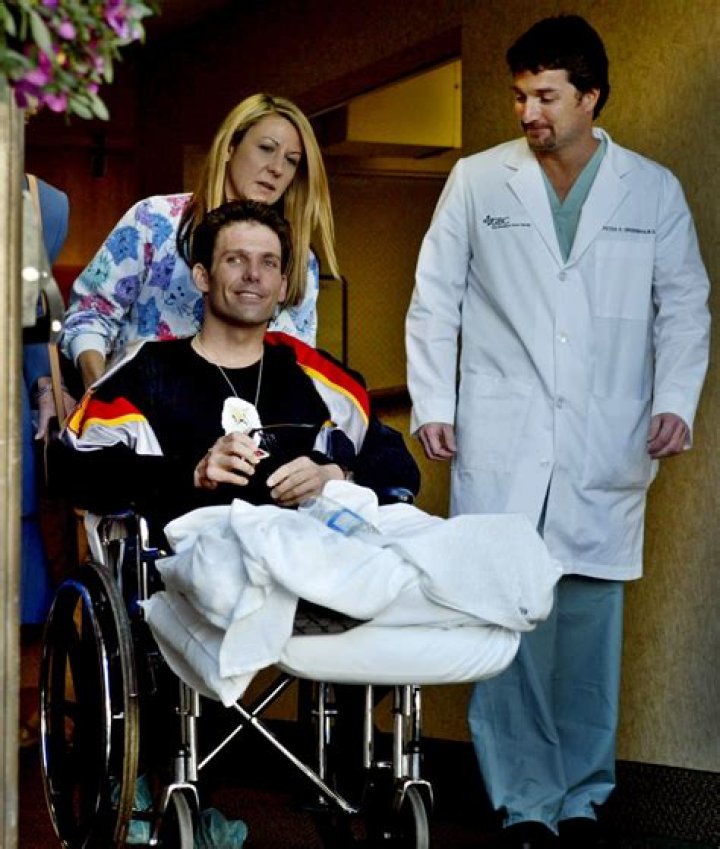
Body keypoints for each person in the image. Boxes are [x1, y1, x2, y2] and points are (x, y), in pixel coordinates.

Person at [405, 14, 710, 849]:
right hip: (501, 434)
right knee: (508, 619)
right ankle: (524, 802)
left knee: (585, 626)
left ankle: (582, 795)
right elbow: (436, 297)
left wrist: (675, 399)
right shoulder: (478, 181)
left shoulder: (652, 190)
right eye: (519, 96)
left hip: (604, 436)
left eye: (545, 96)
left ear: (590, 97)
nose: (527, 112)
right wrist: (434, 402)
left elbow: (684, 306)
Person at [59, 199, 418, 533]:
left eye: (269, 263)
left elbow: (398, 465)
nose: (253, 274)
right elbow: (73, 472)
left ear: (282, 286)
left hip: (313, 561)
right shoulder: (145, 371)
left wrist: (337, 476)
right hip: (189, 565)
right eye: (235, 259)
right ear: (202, 277)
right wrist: (193, 472)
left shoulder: (317, 373)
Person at [61, 93, 340, 390]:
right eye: (266, 148)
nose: (277, 168)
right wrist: (100, 397)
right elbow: (89, 316)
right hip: (139, 408)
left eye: (291, 161)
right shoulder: (154, 220)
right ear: (230, 146)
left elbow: (299, 360)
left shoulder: (298, 258)